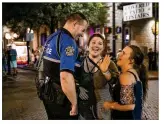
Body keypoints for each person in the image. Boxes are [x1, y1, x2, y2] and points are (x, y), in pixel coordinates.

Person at [42, 12, 88, 120]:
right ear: (75, 24)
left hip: (48, 94)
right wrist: (74, 103)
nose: (82, 34)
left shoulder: (53, 37)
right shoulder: (68, 42)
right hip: (61, 98)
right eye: (83, 30)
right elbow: (65, 77)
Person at [78, 33, 119, 120]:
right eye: (93, 42)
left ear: (103, 47)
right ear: (88, 45)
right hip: (84, 108)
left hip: (103, 107)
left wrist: (105, 71)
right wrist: (78, 88)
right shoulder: (79, 62)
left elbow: (116, 82)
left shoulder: (109, 63)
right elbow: (71, 79)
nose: (96, 45)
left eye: (100, 43)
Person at [103, 45, 148, 120]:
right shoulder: (132, 73)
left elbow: (130, 106)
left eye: (123, 53)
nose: (119, 54)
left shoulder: (126, 76)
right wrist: (105, 71)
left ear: (131, 60)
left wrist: (110, 105)